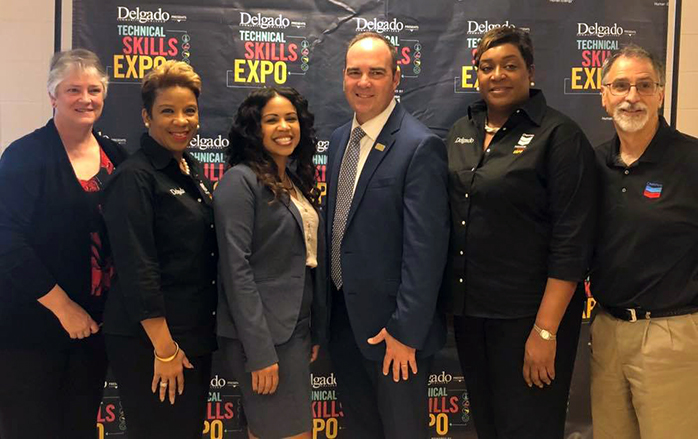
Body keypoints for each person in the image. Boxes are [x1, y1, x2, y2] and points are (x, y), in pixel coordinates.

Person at [443, 27, 597, 439]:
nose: (498, 75)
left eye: (510, 66)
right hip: (472, 317)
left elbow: (572, 242)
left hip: (529, 321)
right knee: (490, 429)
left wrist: (545, 332)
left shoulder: (559, 136)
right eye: (487, 67)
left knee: (529, 429)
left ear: (530, 71)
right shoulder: (462, 129)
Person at [325, 32, 449, 439]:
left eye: (376, 73)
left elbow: (426, 250)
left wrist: (405, 332)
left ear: (396, 79)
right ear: (343, 78)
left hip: (394, 337)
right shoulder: (339, 139)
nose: (364, 82)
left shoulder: (419, 146)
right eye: (354, 72)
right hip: (344, 325)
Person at [0, 49, 127, 439]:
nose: (85, 98)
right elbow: (8, 240)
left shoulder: (117, 157)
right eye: (73, 89)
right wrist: (64, 308)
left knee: (79, 426)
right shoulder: (25, 155)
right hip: (32, 328)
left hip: (93, 329)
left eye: (94, 89)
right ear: (53, 96)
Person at [102, 60, 217, 439]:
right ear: (146, 116)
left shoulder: (190, 168)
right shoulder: (135, 177)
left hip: (191, 333)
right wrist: (164, 349)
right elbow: (138, 267)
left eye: (189, 111)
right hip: (151, 342)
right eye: (167, 111)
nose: (180, 120)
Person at [589, 44, 698, 439]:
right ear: (604, 95)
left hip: (673, 334)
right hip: (607, 330)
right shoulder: (593, 163)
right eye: (620, 86)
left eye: (644, 85)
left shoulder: (692, 161)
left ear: (661, 94)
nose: (632, 96)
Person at [214, 86, 327, 439]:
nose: (284, 126)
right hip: (263, 337)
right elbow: (236, 270)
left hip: (295, 330)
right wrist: (260, 353)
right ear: (254, 128)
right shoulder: (240, 181)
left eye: (291, 118)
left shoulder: (291, 181)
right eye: (272, 119)